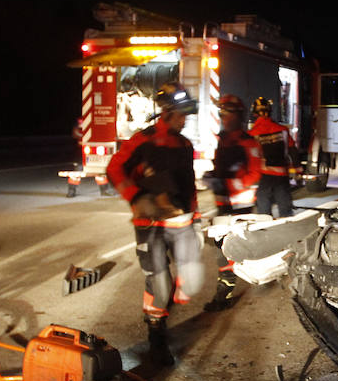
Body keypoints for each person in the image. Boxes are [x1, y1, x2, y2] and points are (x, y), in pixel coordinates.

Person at [105, 83, 204, 366]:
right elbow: (114, 168)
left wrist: (195, 217)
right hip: (151, 225)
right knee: (160, 285)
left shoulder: (185, 145)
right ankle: (156, 339)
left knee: (191, 283)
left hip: (183, 222)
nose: (185, 120)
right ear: (168, 111)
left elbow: (189, 186)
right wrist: (136, 196)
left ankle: (161, 309)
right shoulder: (142, 141)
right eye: (181, 114)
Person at [203, 95, 262, 310]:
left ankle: (224, 295)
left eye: (227, 114)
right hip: (223, 204)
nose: (224, 118)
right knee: (223, 248)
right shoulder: (223, 140)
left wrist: (228, 184)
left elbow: (255, 174)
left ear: (238, 116)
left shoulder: (248, 142)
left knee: (226, 250)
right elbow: (222, 168)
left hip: (240, 205)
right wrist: (211, 176)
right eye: (221, 114)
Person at [249, 97, 294, 218]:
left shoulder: (252, 134)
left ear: (254, 113)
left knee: (263, 210)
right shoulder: (283, 130)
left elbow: (251, 156)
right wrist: (297, 169)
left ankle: (266, 230)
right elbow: (291, 149)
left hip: (264, 177)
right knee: (285, 210)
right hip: (282, 176)